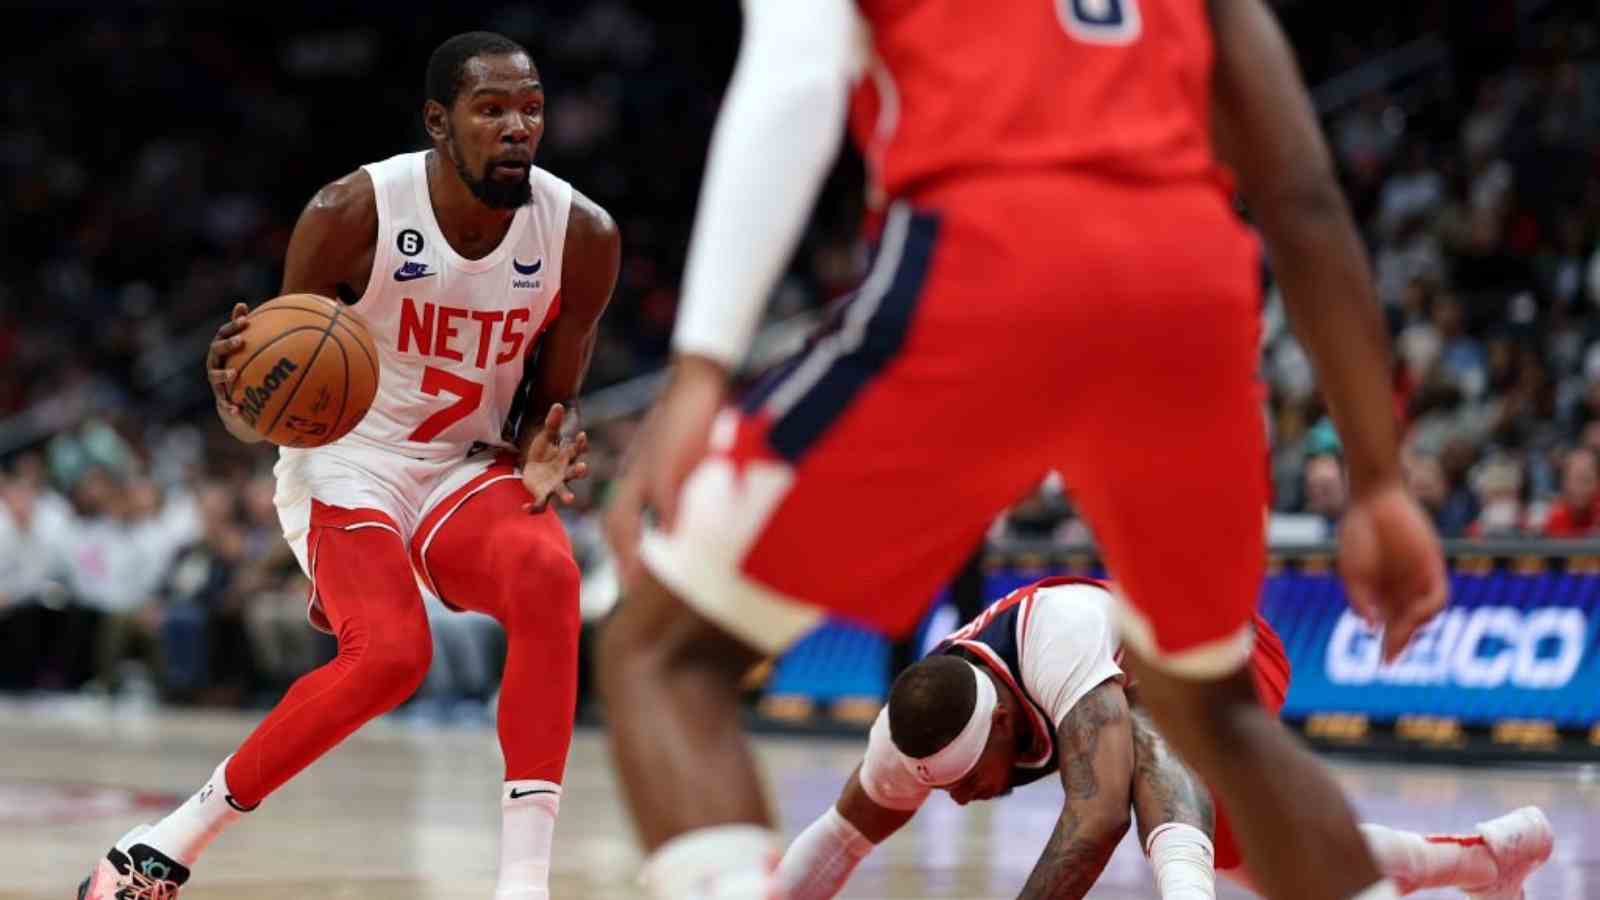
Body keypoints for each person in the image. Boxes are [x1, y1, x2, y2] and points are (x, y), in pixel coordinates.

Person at [597, 0, 1448, 897]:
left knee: (661, 654)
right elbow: (1303, 191)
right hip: (1185, 285)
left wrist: (701, 367)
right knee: (1217, 713)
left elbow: (794, 77)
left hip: (982, 258)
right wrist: (1380, 478)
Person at [80, 31, 619, 899]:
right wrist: (233, 394)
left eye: (531, 109)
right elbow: (272, 399)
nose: (518, 126)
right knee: (392, 657)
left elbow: (550, 405)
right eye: (492, 109)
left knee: (551, 574)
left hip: (461, 465)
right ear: (439, 123)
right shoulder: (353, 211)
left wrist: (543, 455)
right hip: (350, 458)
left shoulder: (582, 235)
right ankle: (162, 847)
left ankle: (524, 883)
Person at [775, 578, 1552, 900]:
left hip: (1224, 654)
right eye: (942, 786)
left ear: (1005, 722)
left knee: (1137, 745)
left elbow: (1101, 811)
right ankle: (1482, 860)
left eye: (970, 777)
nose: (963, 798)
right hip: (1144, 694)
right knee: (1276, 863)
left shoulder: (1059, 636)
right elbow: (840, 841)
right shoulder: (906, 732)